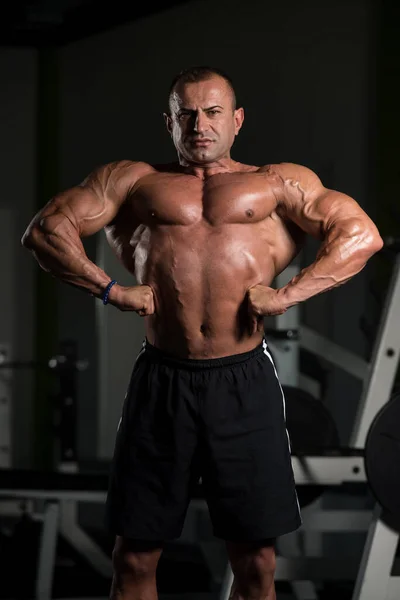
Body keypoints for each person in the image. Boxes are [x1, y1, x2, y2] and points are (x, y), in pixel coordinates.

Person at [22, 66, 383, 600]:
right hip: (161, 381)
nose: (199, 125)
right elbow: (46, 230)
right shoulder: (133, 180)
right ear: (168, 121)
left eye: (213, 112)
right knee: (136, 555)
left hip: (244, 382)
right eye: (186, 113)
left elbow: (360, 234)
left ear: (236, 120)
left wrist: (287, 296)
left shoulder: (277, 182)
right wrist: (110, 290)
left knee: (257, 560)